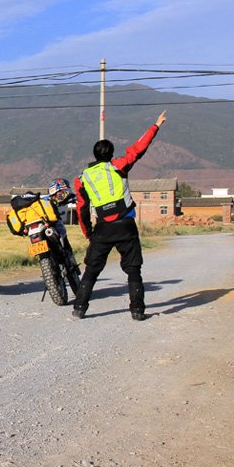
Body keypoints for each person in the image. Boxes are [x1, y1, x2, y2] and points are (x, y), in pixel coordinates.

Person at [72, 110, 168, 321]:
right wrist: (156, 125)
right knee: (133, 269)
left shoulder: (82, 178)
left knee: (92, 270)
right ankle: (137, 311)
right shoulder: (119, 166)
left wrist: (89, 233)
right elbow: (139, 148)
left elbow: (81, 209)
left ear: (95, 155)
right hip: (125, 224)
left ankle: (79, 308)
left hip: (103, 228)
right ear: (111, 154)